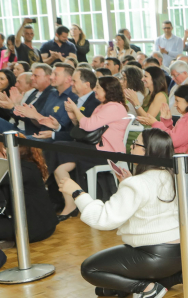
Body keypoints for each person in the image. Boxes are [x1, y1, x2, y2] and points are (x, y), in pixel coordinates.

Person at [71, 130, 188, 298]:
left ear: (149, 151)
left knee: (90, 268)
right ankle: (186, 275)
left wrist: (78, 194)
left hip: (154, 256)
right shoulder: (173, 176)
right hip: (183, 252)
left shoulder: (138, 184)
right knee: (136, 277)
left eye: (135, 145)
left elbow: (103, 219)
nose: (131, 147)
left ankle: (147, 289)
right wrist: (129, 182)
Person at [53, 76, 132, 220]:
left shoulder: (115, 107)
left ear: (108, 90)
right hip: (95, 148)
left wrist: (76, 110)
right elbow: (87, 128)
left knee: (59, 147)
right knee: (60, 166)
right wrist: (73, 116)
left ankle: (68, 204)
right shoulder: (102, 106)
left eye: (98, 88)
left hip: (108, 152)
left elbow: (88, 125)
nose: (95, 90)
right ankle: (69, 205)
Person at [0, 140, 57, 245]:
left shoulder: (22, 170)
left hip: (35, 226)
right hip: (31, 220)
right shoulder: (24, 166)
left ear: (6, 151)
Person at [140, 83, 188, 159]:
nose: (175, 105)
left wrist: (155, 123)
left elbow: (173, 141)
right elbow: (178, 137)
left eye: (177, 101)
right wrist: (166, 122)